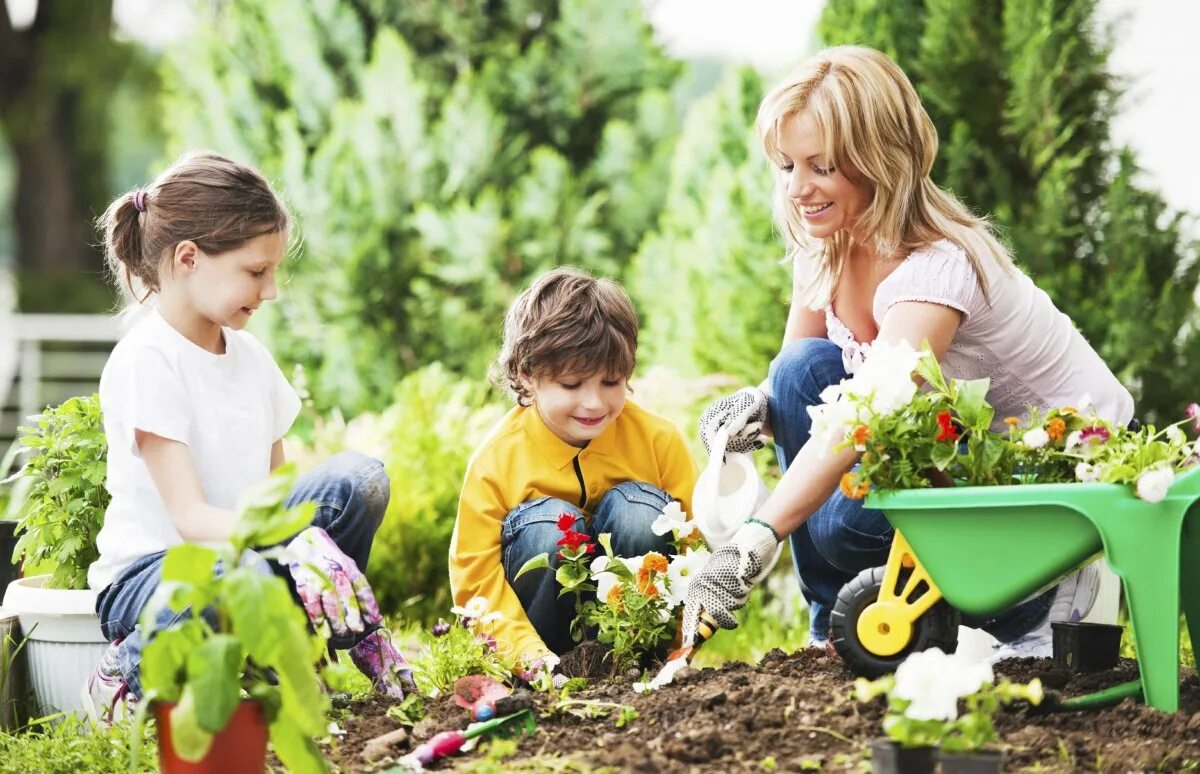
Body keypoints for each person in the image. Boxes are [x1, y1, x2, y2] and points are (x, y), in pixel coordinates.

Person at [682, 46, 1131, 659]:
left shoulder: (940, 266)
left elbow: (864, 412)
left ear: (879, 160)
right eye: (787, 165)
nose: (798, 188)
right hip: (955, 455)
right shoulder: (828, 244)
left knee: (841, 521)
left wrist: (755, 541)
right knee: (794, 378)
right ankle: (833, 628)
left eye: (822, 166)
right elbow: (801, 374)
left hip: (1048, 482)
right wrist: (753, 410)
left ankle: (1039, 596)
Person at [84, 151, 415, 722]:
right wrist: (291, 541)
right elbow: (189, 517)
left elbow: (277, 490)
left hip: (245, 557)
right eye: (256, 271)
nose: (271, 291)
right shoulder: (148, 359)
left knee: (360, 481)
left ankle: (307, 641)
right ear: (188, 258)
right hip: (153, 574)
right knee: (246, 572)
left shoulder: (252, 359)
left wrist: (310, 547)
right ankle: (126, 670)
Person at [450, 267, 699, 672]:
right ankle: (560, 667)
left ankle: (636, 662)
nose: (594, 403)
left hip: (636, 632)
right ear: (527, 375)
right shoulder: (496, 461)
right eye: (571, 385)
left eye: (611, 381)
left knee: (641, 515)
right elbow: (476, 581)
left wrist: (680, 647)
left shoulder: (657, 441)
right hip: (542, 648)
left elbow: (697, 547)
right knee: (550, 526)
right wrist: (528, 659)